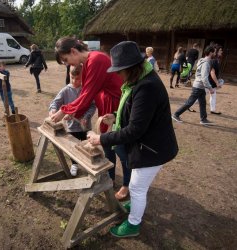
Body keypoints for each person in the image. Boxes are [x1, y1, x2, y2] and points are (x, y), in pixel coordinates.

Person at [87, 41, 178, 237]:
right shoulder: (139, 81)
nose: (117, 75)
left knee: (136, 187)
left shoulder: (147, 87)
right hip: (147, 144)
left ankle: (133, 224)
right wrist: (114, 114)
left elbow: (135, 129)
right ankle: (135, 204)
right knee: (138, 186)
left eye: (119, 70)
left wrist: (101, 139)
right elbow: (134, 112)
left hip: (153, 148)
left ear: (131, 68)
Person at [52, 36, 124, 193]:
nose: (67, 64)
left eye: (66, 59)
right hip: (106, 104)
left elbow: (86, 95)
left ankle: (126, 185)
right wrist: (73, 112)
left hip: (117, 106)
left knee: (121, 147)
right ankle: (110, 178)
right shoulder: (88, 62)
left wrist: (64, 110)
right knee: (107, 145)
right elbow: (86, 93)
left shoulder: (96, 59)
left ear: (73, 51)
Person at [49, 65, 96, 176]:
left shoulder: (86, 90)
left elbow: (93, 106)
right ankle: (74, 164)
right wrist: (53, 110)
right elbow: (54, 103)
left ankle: (88, 165)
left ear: (83, 76)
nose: (75, 81)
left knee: (87, 146)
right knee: (73, 147)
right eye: (72, 77)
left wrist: (86, 117)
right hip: (71, 128)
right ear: (69, 75)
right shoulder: (65, 90)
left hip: (85, 126)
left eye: (78, 78)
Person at [172, 45, 216, 125]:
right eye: (214, 52)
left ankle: (203, 119)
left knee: (202, 102)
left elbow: (197, 74)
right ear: (210, 53)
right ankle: (176, 114)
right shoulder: (206, 63)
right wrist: (210, 88)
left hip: (200, 86)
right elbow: (204, 78)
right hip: (199, 86)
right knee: (190, 102)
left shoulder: (201, 60)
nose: (215, 54)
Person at [209, 44, 224, 115]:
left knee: (213, 95)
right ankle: (189, 105)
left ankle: (213, 110)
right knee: (198, 96)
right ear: (217, 51)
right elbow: (212, 73)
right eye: (220, 50)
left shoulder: (217, 60)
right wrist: (217, 83)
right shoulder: (214, 60)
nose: (222, 51)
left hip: (211, 82)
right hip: (208, 82)